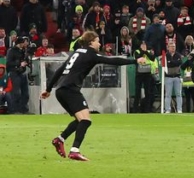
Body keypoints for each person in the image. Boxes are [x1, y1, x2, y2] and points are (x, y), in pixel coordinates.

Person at [41, 30, 137, 161]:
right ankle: (75, 150)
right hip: (70, 90)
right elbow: (112, 61)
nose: (99, 44)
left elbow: (60, 70)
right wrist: (134, 61)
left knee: (80, 120)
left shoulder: (77, 52)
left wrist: (48, 89)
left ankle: (60, 139)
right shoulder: (91, 54)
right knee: (86, 121)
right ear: (91, 42)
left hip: (61, 90)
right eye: (98, 41)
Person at [6, 35, 30, 113]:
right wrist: (19, 64)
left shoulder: (23, 51)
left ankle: (23, 110)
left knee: (25, 93)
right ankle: (15, 110)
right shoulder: (11, 51)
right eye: (23, 43)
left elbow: (25, 60)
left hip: (23, 73)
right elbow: (9, 63)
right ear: (19, 43)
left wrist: (27, 62)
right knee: (16, 93)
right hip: (14, 73)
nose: (25, 44)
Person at [133, 41, 156, 113]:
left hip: (147, 74)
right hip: (139, 74)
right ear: (140, 45)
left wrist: (146, 52)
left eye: (145, 44)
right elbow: (137, 58)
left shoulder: (149, 51)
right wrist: (143, 52)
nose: (144, 46)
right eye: (142, 44)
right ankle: (135, 109)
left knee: (148, 92)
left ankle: (147, 109)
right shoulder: (136, 51)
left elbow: (152, 58)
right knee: (137, 92)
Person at [163, 42, 184, 114]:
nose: (173, 48)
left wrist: (171, 62)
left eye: (174, 46)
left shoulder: (178, 55)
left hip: (177, 76)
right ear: (168, 47)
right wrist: (173, 62)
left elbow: (179, 63)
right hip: (168, 77)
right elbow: (167, 64)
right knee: (168, 94)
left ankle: (179, 109)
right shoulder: (166, 55)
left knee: (178, 94)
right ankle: (167, 109)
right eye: (171, 46)